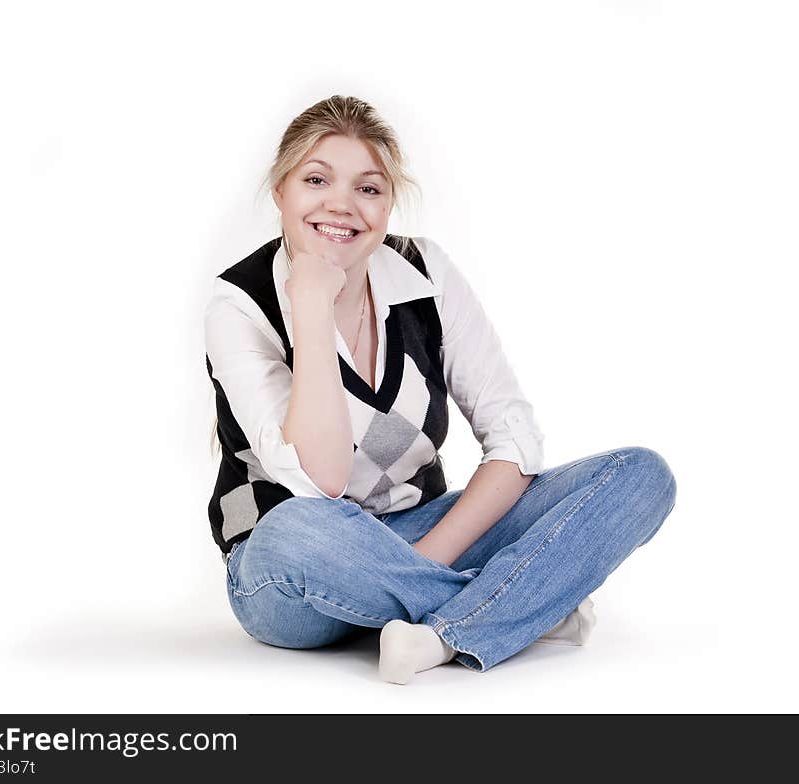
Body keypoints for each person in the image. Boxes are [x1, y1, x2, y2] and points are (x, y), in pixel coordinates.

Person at [204, 95, 677, 685]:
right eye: (316, 180)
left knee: (639, 476)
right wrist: (310, 304)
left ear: (389, 203)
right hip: (292, 572)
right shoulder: (239, 305)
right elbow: (320, 479)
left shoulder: (423, 273)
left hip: (423, 532)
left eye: (369, 189)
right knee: (296, 527)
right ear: (281, 191)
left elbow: (514, 442)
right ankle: (516, 609)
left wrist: (420, 560)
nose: (342, 205)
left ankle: (440, 628)